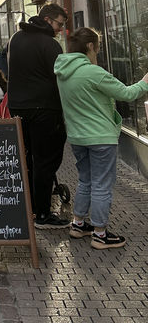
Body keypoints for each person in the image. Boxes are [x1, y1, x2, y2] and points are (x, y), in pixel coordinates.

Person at [54, 27, 148, 249]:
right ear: (90, 46)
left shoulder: (63, 72)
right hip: (100, 137)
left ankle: (78, 224)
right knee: (102, 185)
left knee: (86, 180)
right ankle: (100, 233)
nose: (98, 50)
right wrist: (145, 81)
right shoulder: (93, 72)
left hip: (77, 137)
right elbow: (126, 94)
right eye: (98, 46)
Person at [8, 2, 69, 229]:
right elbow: (59, 79)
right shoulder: (50, 45)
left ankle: (32, 208)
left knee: (29, 159)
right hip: (44, 109)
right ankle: (43, 214)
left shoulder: (16, 38)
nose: (60, 30)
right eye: (59, 25)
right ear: (47, 20)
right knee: (46, 161)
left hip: (18, 108)